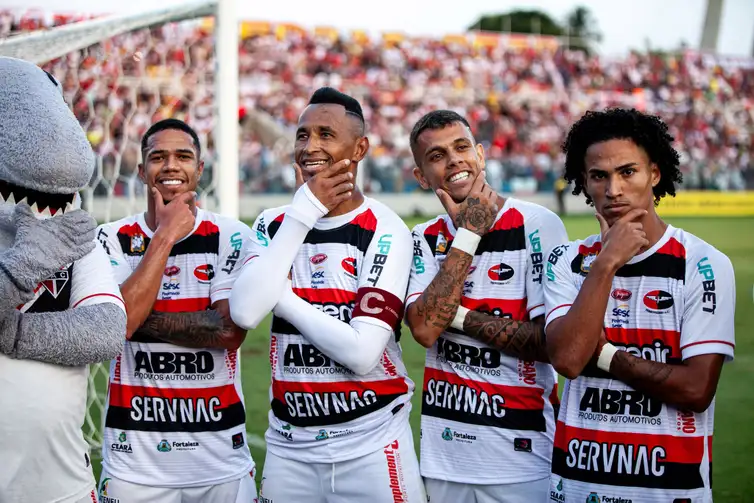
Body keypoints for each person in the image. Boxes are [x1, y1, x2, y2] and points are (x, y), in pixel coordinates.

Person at [229, 87, 425, 503]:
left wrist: (280, 297)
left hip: (372, 443)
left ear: (360, 148)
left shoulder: (384, 228)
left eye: (325, 135)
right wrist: (303, 212)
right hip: (289, 447)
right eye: (302, 135)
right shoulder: (271, 223)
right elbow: (245, 312)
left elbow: (361, 353)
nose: (310, 146)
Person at [544, 108, 735, 502]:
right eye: (599, 176)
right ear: (585, 183)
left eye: (627, 172)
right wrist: (607, 263)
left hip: (669, 490)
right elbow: (567, 359)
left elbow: (697, 389)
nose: (613, 189)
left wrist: (606, 354)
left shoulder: (704, 264)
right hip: (579, 486)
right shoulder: (566, 260)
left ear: (655, 173)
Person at [404, 110, 569, 503]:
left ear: (480, 154)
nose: (454, 160)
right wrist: (469, 234)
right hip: (443, 459)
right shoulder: (423, 236)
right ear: (422, 176)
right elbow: (425, 330)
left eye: (462, 147)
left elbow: (552, 344)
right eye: (437, 155)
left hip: (525, 456)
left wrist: (454, 317)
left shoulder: (537, 224)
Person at [95, 118, 258, 503]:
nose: (171, 166)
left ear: (200, 169)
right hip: (133, 464)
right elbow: (122, 323)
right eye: (158, 157)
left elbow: (228, 333)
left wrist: (126, 318)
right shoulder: (112, 238)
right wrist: (165, 235)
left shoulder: (231, 235)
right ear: (140, 171)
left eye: (183, 156)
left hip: (219, 460)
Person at [0, 56, 127, 503]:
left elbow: (105, 332)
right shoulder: (52, 243)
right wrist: (24, 265)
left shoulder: (74, 236)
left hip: (62, 487)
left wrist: (10, 331)